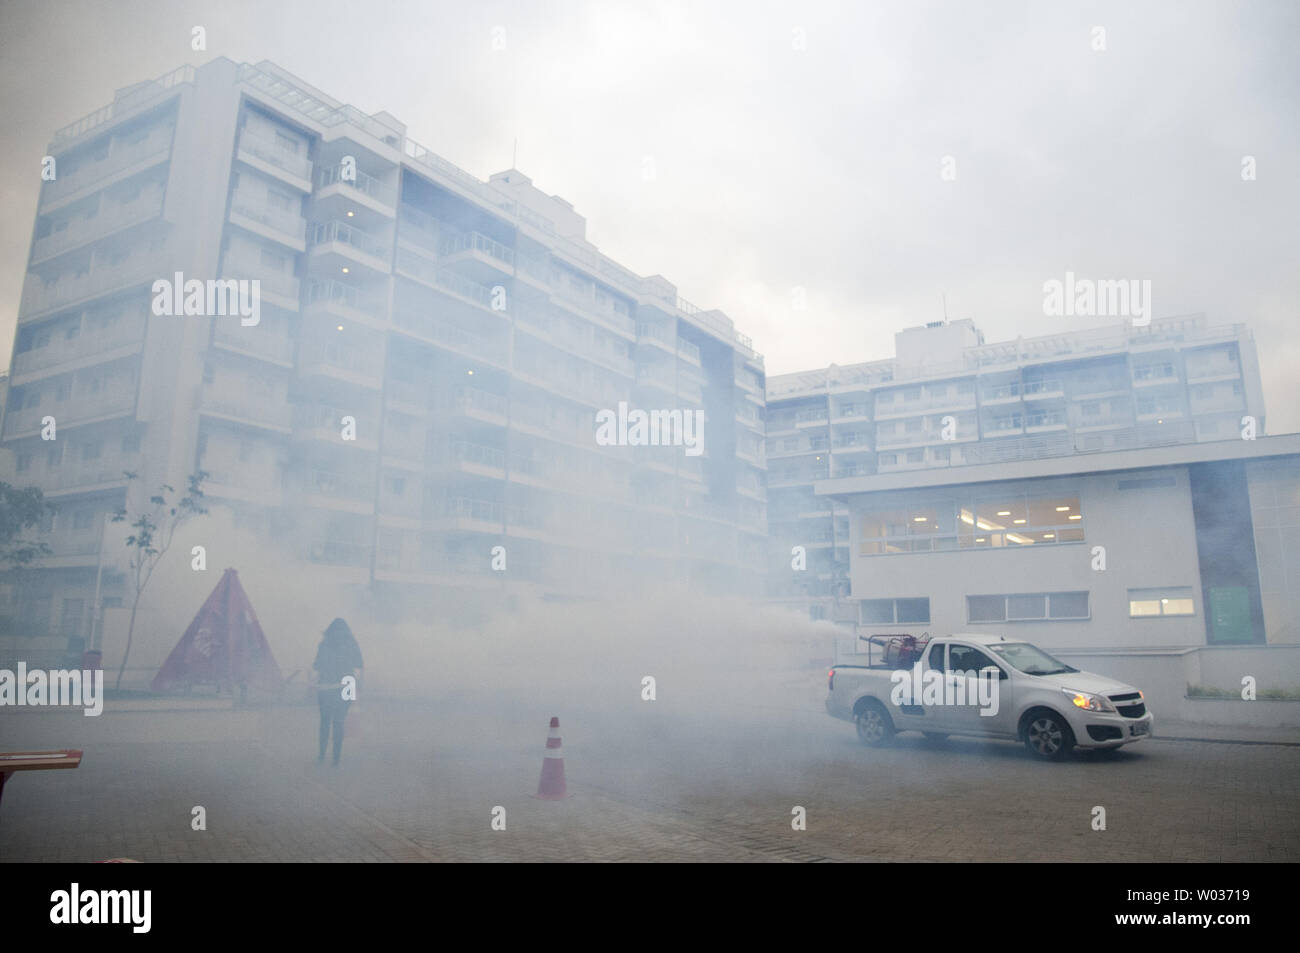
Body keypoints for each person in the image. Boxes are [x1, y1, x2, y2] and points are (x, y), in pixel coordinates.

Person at [312, 618, 364, 766]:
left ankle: (321, 755)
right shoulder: (352, 643)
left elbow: (316, 665)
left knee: (325, 721)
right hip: (347, 685)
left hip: (326, 686)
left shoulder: (324, 644)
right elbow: (359, 663)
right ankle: (336, 758)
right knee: (339, 721)